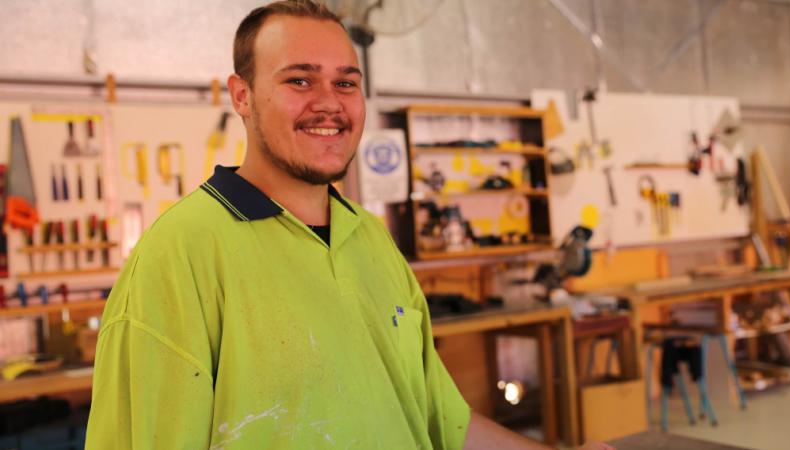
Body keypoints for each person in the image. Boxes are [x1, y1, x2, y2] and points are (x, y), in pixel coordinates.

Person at [85, 1, 613, 449]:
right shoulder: (177, 257)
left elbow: (442, 421)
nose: (330, 104)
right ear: (241, 96)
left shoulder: (371, 240)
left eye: (346, 82)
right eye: (299, 80)